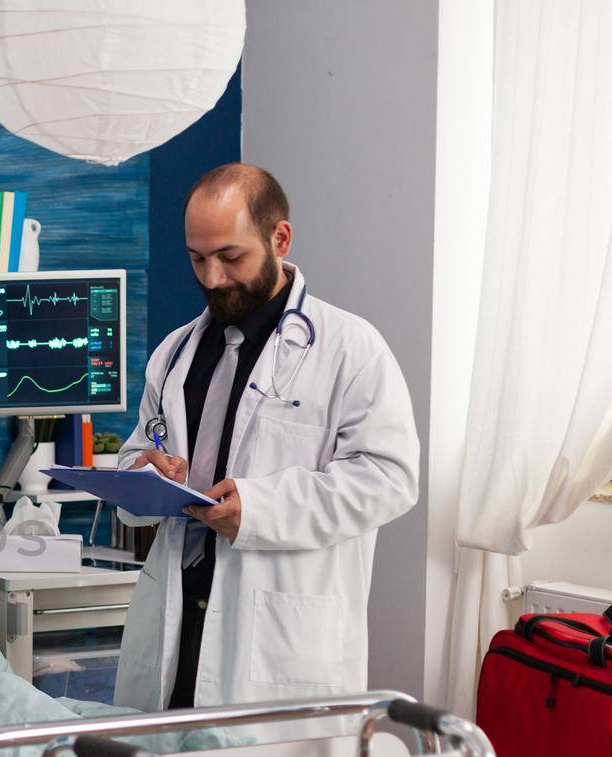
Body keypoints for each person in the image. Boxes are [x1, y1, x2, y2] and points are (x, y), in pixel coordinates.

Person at [114, 163, 419, 711]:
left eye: (230, 258)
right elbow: (141, 447)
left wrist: (258, 508)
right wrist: (141, 473)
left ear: (279, 238)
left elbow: (389, 479)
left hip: (278, 635)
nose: (211, 278)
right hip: (177, 623)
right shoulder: (175, 352)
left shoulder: (350, 349)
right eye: (197, 259)